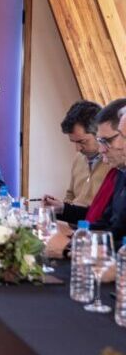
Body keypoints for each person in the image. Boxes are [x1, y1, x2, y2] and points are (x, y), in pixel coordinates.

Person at [45, 99, 126, 259]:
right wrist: (74, 236)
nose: (102, 150)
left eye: (107, 141)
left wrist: (71, 245)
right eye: (101, 141)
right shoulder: (122, 173)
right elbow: (111, 226)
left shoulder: (115, 168)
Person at [42, 101, 110, 209]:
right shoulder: (79, 158)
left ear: (99, 132)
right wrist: (60, 207)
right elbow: (71, 196)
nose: (77, 149)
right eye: (74, 142)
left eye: (82, 142)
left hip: (97, 225)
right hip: (74, 224)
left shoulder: (116, 163)